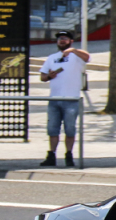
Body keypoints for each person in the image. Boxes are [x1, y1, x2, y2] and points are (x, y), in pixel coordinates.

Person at [38, 31, 90, 166]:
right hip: (54, 99)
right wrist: (49, 76)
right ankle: (51, 155)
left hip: (71, 99)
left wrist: (73, 50)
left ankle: (69, 155)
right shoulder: (51, 57)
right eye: (60, 39)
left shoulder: (76, 56)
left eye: (65, 39)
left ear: (71, 41)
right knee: (53, 129)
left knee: (70, 129)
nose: (61, 41)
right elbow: (42, 77)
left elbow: (87, 57)